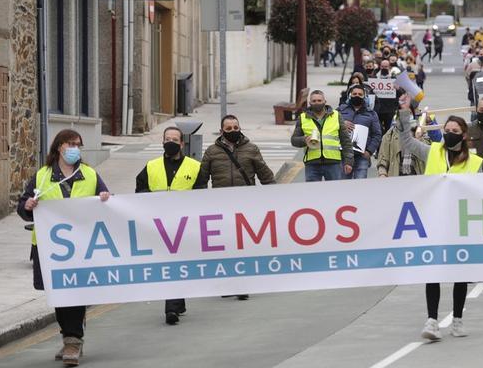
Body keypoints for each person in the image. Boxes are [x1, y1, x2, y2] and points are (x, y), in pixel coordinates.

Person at [18, 129, 111, 366]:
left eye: (78, 145)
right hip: (50, 248)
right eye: (71, 144)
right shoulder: (43, 176)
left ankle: (73, 341)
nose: (75, 149)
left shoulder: (89, 174)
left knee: (75, 291)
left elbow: (106, 199)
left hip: (82, 246)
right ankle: (70, 335)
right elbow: (24, 206)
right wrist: (28, 205)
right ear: (59, 146)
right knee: (59, 293)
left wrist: (105, 197)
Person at [397, 95, 481, 340]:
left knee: (459, 275)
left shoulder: (475, 161)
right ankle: (432, 320)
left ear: (463, 135)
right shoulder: (433, 151)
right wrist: (405, 114)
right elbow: (407, 141)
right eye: (447, 130)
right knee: (432, 271)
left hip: (461, 224)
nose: (450, 134)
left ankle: (457, 321)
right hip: (433, 221)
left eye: (455, 131)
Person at [135, 127, 208, 325]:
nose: (171, 142)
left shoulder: (194, 166)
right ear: (162, 142)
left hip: (184, 224)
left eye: (175, 140)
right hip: (159, 224)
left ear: (182, 144)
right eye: (167, 139)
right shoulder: (151, 166)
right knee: (169, 264)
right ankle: (175, 305)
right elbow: (140, 189)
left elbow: (202, 194)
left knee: (177, 263)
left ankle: (173, 306)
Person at [202, 115, 276, 300]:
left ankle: (242, 284)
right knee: (226, 246)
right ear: (221, 131)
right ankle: (229, 284)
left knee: (243, 246)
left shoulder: (251, 149)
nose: (233, 131)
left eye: (236, 127)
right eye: (229, 129)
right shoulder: (211, 152)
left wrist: (277, 197)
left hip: (246, 206)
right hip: (221, 207)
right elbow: (201, 180)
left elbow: (265, 175)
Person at [292, 91, 354, 181]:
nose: (317, 103)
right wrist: (304, 140)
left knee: (335, 189)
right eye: (314, 101)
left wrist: (349, 161)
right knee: (312, 190)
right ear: (310, 103)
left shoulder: (336, 116)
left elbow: (346, 141)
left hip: (333, 163)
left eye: (319, 100)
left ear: (325, 101)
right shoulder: (302, 117)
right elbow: (294, 140)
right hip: (312, 163)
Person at [338, 84, 383, 179]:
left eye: (360, 94)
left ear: (364, 96)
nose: (357, 96)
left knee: (361, 184)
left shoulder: (371, 114)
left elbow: (377, 134)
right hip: (343, 155)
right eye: (354, 94)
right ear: (350, 95)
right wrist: (341, 123)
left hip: (362, 156)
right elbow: (330, 126)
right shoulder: (340, 110)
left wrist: (369, 151)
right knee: (343, 184)